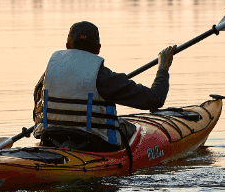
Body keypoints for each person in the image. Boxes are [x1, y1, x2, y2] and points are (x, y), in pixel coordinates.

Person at [33, 21, 176, 152]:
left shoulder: (48, 74)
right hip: (94, 146)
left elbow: (36, 111)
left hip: (51, 142)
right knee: (131, 129)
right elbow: (155, 99)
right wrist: (163, 68)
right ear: (98, 49)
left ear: (68, 46)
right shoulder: (105, 78)